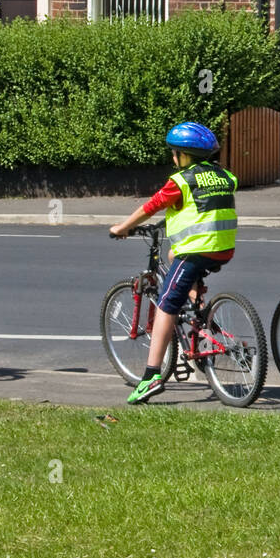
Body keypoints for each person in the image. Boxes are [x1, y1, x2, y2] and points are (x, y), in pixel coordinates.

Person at [109, 122, 237, 405]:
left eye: (175, 153)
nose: (173, 158)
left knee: (166, 303)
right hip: (224, 249)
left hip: (196, 251)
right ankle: (198, 304)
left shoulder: (181, 181)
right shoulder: (225, 176)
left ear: (184, 156)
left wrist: (123, 227)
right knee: (172, 257)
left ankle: (151, 375)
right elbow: (200, 208)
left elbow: (151, 206)